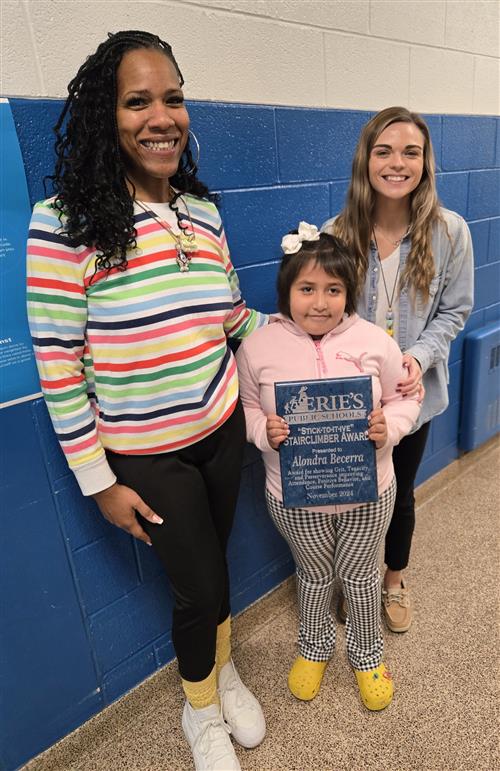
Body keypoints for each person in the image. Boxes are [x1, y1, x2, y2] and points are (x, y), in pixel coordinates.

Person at [26, 30, 267, 771]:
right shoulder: (61, 223)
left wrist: (322, 337)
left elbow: (232, 320)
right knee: (196, 587)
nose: (162, 116)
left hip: (222, 426)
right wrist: (100, 483)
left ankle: (219, 670)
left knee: (215, 567)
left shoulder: (201, 212)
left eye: (173, 98)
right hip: (148, 454)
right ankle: (200, 711)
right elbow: (61, 366)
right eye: (138, 101)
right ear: (108, 115)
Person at [236, 224, 421, 710]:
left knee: (361, 578)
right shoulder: (258, 348)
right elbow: (249, 408)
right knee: (315, 576)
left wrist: (391, 427)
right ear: (287, 291)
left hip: (369, 491)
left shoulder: (375, 342)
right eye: (307, 289)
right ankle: (315, 648)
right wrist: (263, 432)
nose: (320, 302)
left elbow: (406, 400)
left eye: (333, 290)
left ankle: (367, 656)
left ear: (349, 293)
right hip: (294, 497)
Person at [322, 107, 474, 633]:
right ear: (367, 160)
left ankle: (392, 580)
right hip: (351, 397)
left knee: (398, 491)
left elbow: (455, 310)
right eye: (384, 151)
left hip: (413, 394)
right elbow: (324, 314)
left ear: (425, 163)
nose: (397, 163)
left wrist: (419, 356)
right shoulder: (337, 233)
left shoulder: (450, 232)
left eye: (411, 152)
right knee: (352, 495)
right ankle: (352, 578)